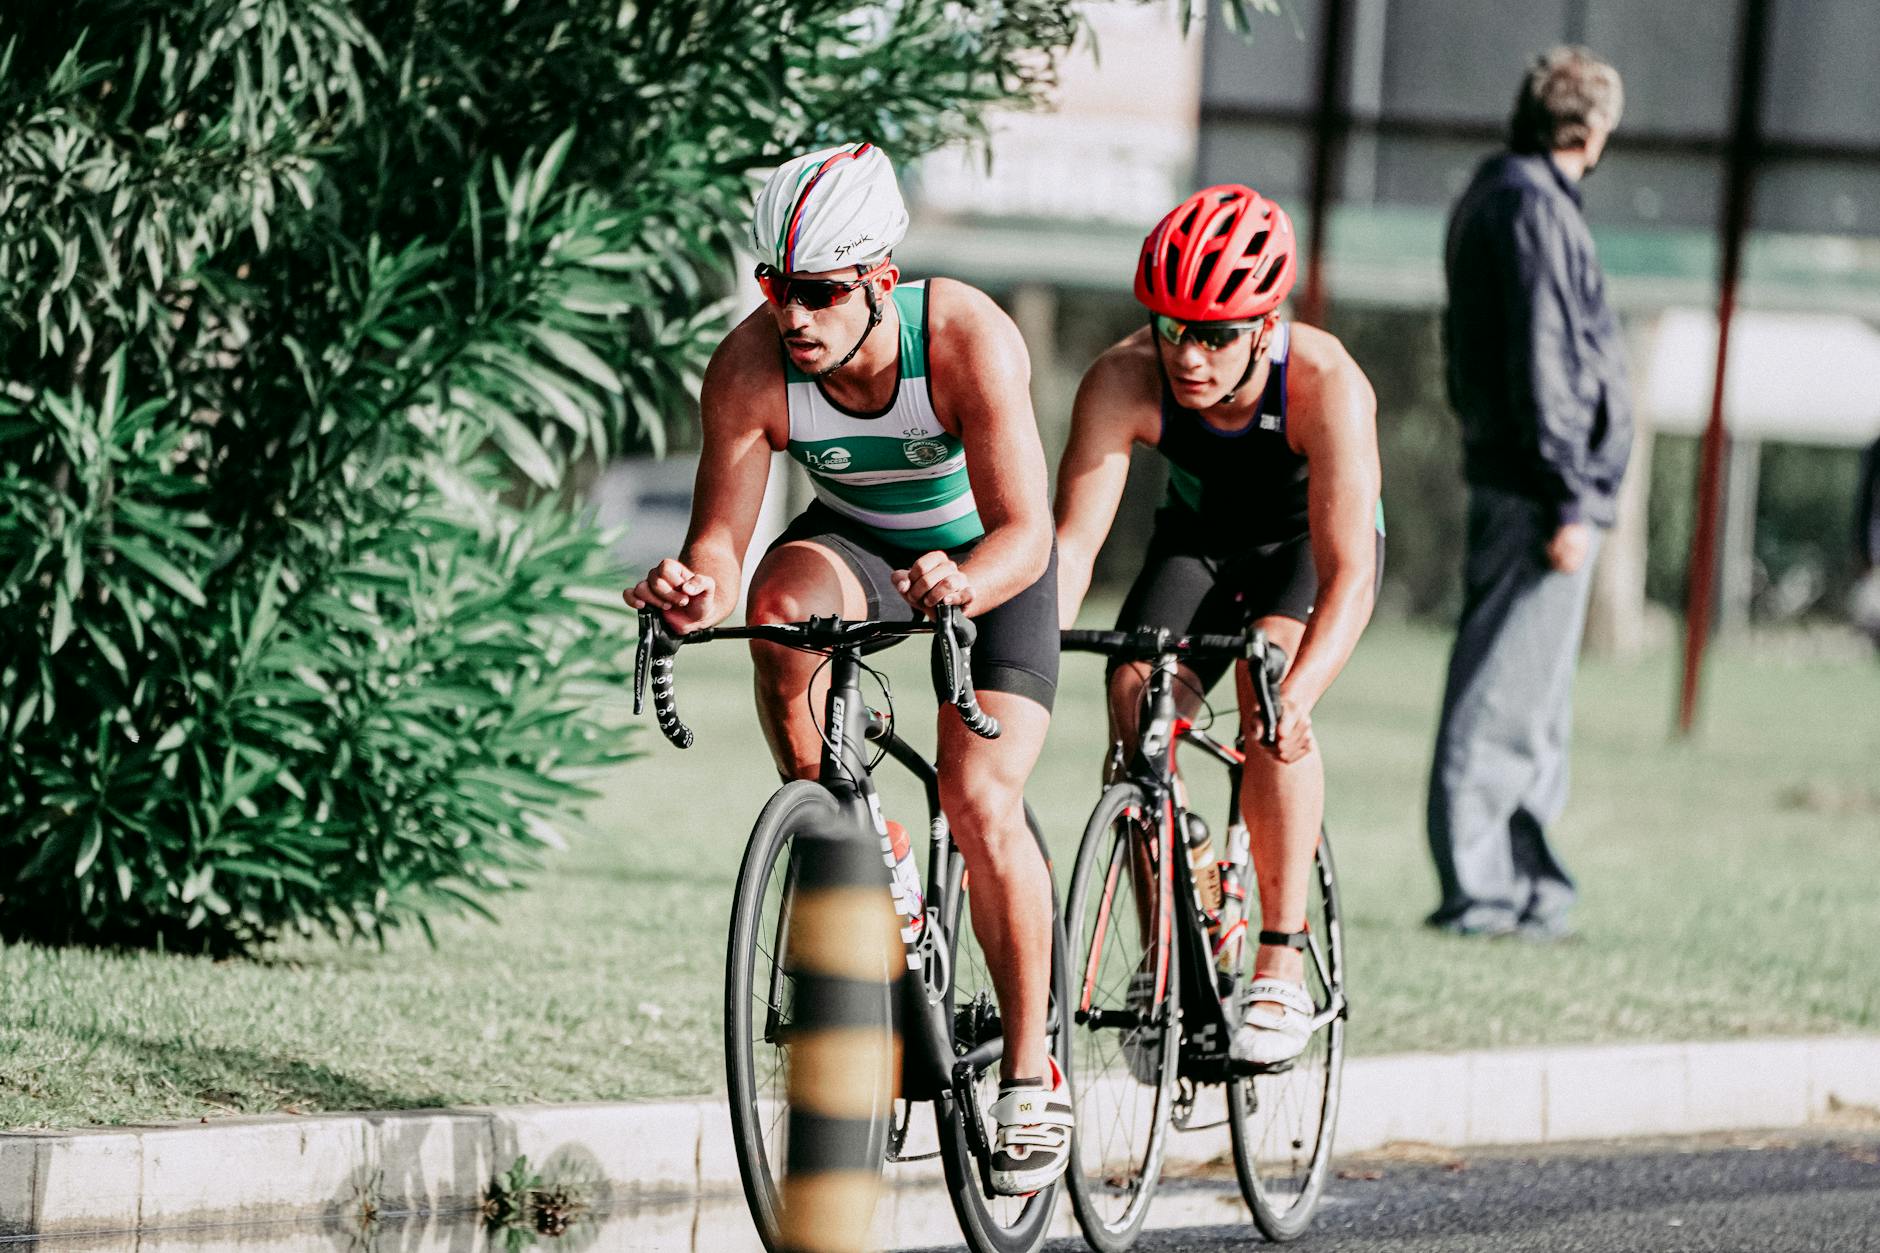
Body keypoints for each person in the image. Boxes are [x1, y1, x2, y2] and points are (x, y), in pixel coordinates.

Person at [624, 142, 1070, 1194]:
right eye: (774, 286)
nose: (792, 315)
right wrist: (690, 588)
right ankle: (858, 842)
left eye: (819, 291)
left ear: (880, 278)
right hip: (859, 545)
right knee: (779, 612)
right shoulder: (749, 367)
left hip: (991, 561)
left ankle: (1028, 1071)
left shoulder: (962, 337)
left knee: (978, 796)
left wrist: (963, 578)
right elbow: (722, 551)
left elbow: (1025, 530)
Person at [1054, 184, 1383, 1066]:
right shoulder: (1123, 377)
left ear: (1266, 328)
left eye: (1215, 335)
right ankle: (1164, 954)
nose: (1188, 355)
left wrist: (1300, 693)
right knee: (1134, 695)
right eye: (1172, 328)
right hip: (1199, 543)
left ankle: (1279, 956)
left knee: (1266, 686)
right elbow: (1072, 546)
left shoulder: (1325, 383)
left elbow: (1351, 573)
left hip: (1303, 548)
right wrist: (1030, 645)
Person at [1425, 47, 1630, 940]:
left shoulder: (1506, 194)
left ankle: (1528, 886)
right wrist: (1567, 498)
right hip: (1537, 487)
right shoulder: (1531, 207)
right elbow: (1546, 360)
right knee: (1503, 695)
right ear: (1591, 127)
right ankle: (1483, 890)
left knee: (1534, 701)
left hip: (1531, 478)